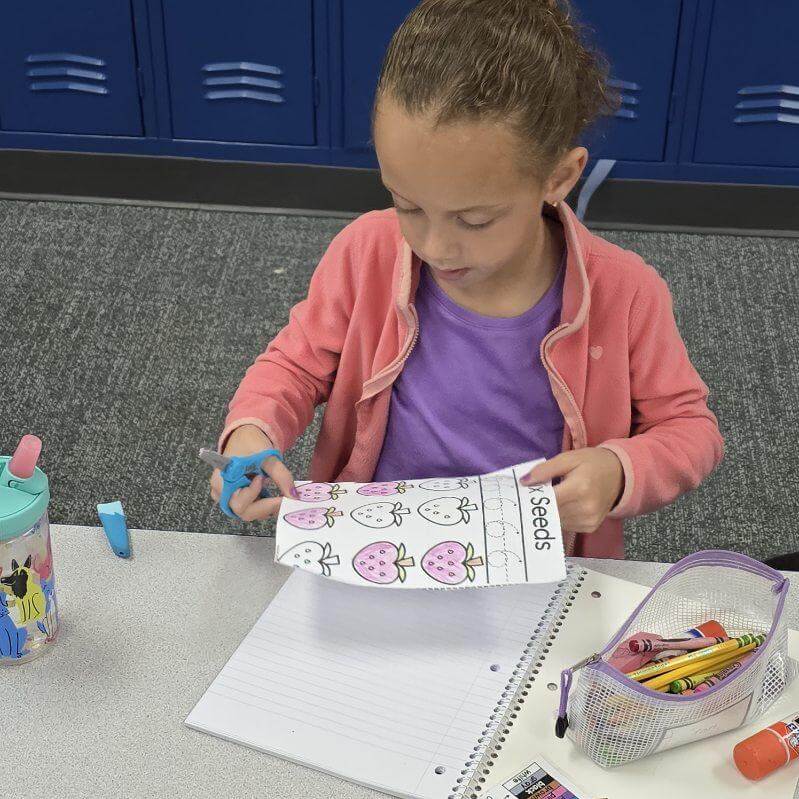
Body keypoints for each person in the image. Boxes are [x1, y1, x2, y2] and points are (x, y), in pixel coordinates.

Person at [210, 0, 724, 558]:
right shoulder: (366, 251)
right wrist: (253, 432)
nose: (432, 247)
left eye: (474, 220)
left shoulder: (626, 293)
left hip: (533, 555)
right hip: (378, 542)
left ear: (560, 177)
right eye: (406, 205)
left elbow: (691, 431)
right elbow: (292, 366)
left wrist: (617, 471)